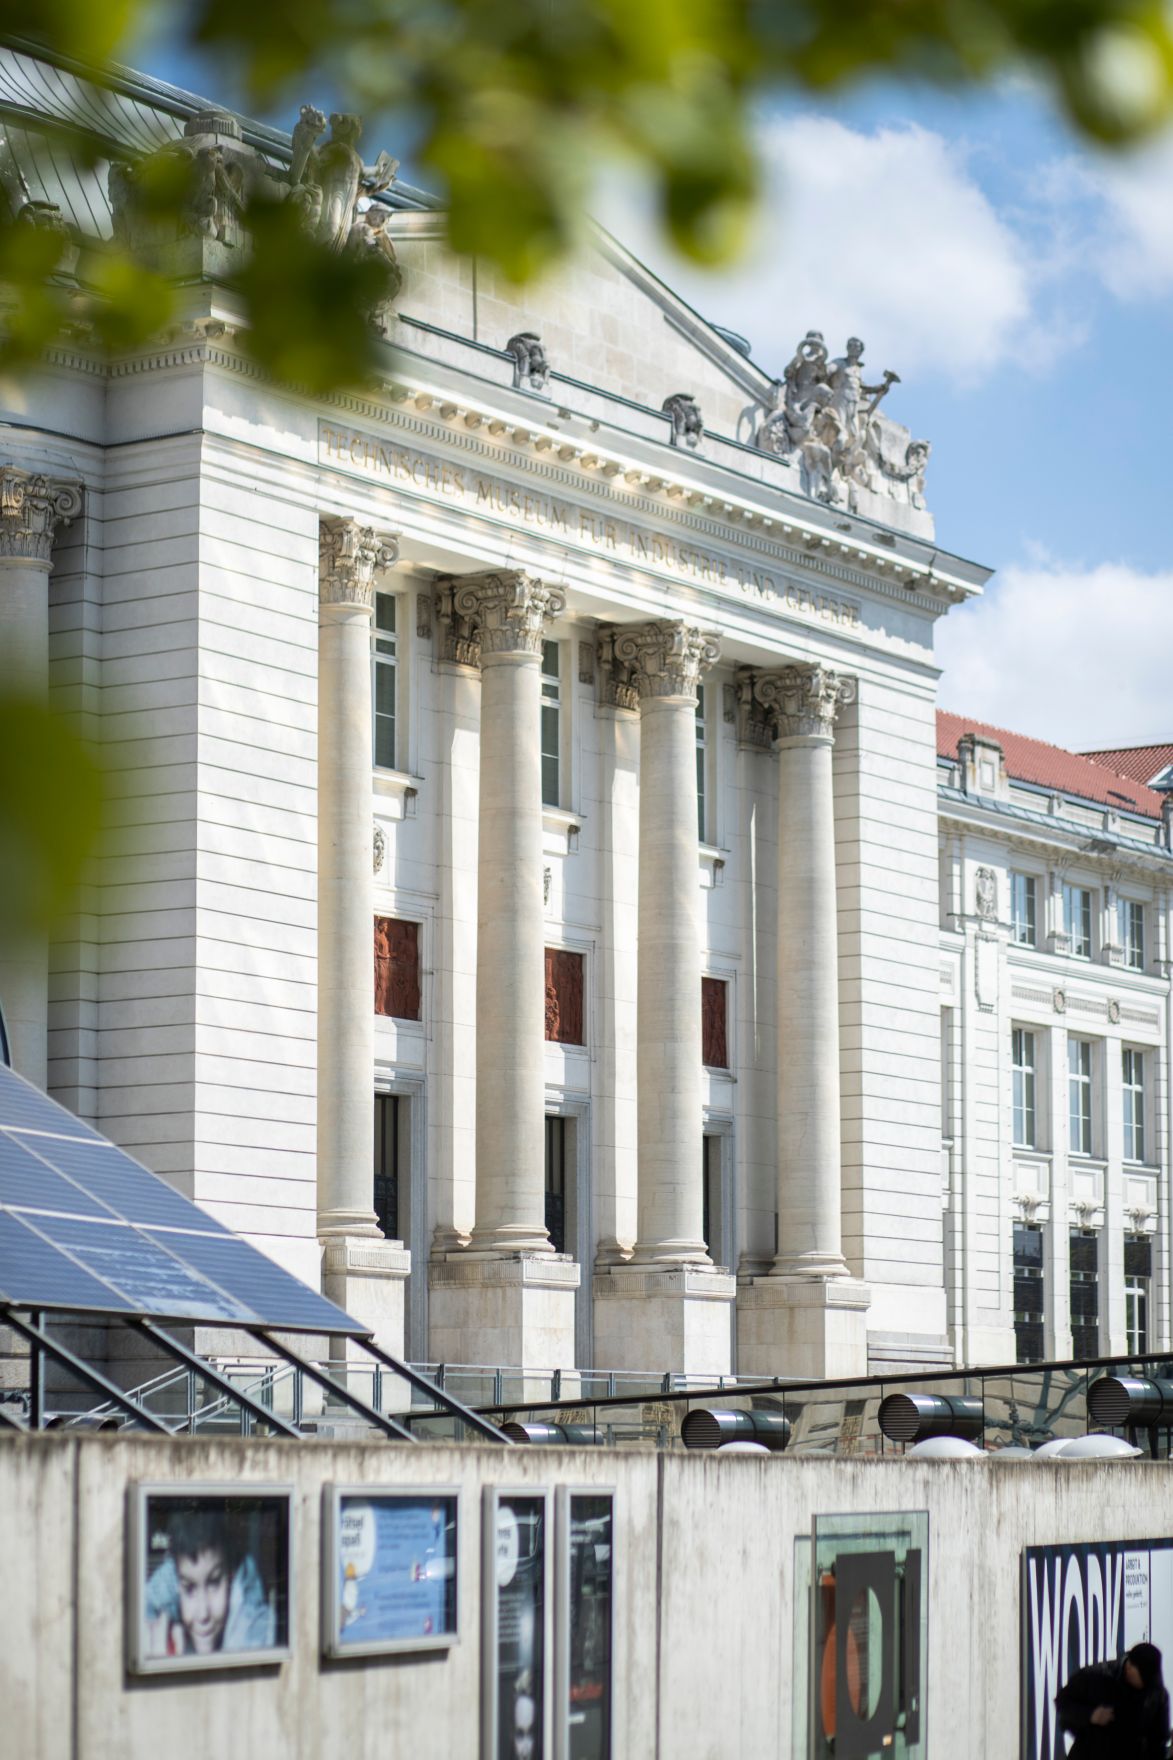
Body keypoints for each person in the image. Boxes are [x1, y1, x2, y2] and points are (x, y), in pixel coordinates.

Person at [144, 1505, 275, 1658]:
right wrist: (164, 1626)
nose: (203, 1614)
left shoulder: (253, 1628)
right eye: (189, 1589)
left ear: (232, 1576)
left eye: (214, 1584)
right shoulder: (175, 1572)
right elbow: (143, 1603)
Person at [1056, 1642, 1170, 1757]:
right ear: (1129, 1668)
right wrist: (1090, 1715)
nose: (1147, 1684)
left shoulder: (1157, 1694)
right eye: (1144, 1677)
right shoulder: (1098, 1676)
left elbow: (1159, 1742)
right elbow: (1062, 1702)